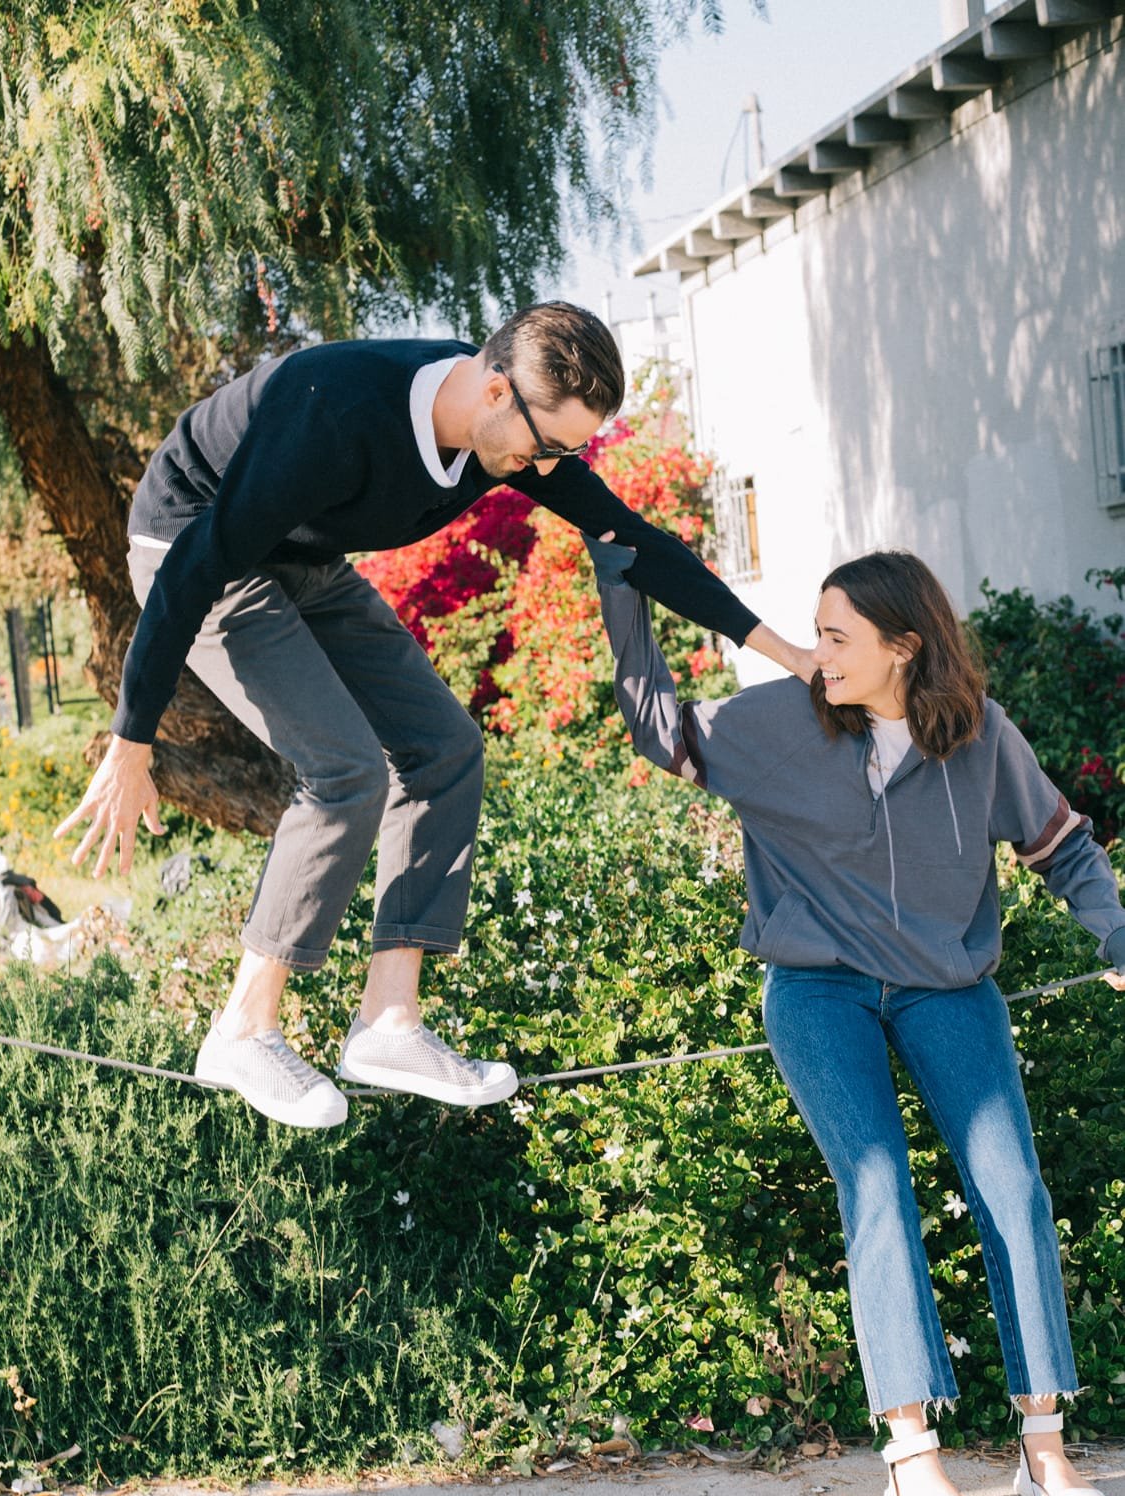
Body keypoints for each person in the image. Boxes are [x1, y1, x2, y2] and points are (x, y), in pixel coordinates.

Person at [55, 304, 810, 1130]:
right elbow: (195, 567)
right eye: (548, 447)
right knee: (346, 769)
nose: (551, 468)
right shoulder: (334, 411)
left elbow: (633, 539)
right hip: (193, 550)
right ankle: (241, 1027)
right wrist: (134, 742)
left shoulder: (508, 429)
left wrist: (789, 654)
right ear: (495, 389)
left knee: (445, 747)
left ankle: (388, 1022)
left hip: (303, 560)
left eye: (569, 452)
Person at [591, 534, 1124, 1496]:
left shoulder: (977, 737)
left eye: (837, 638)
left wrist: (1115, 929)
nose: (814, 653)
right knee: (875, 1180)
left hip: (945, 991)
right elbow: (659, 729)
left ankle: (1043, 1446)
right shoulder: (778, 723)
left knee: (1012, 1186)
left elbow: (1059, 843)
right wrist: (623, 593)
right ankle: (912, 1462)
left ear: (904, 648)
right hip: (818, 989)